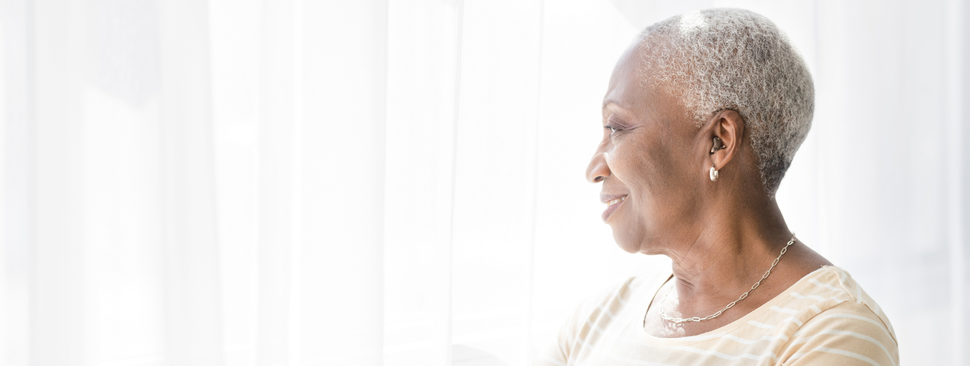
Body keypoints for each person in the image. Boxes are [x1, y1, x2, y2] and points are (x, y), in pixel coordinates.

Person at [536, 8, 898, 366]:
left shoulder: (831, 331)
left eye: (616, 128)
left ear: (718, 142)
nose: (594, 169)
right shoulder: (596, 320)